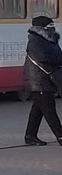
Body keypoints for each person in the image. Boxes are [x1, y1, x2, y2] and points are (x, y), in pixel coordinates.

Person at [24, 13, 62, 145]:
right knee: (49, 109)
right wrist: (59, 60)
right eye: (49, 25)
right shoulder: (35, 40)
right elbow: (42, 58)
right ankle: (60, 136)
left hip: (45, 79)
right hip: (38, 79)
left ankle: (30, 136)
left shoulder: (50, 40)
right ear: (41, 28)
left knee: (38, 109)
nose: (52, 28)